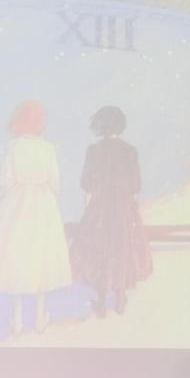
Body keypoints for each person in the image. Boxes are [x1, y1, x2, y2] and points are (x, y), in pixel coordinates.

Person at [0, 100, 74, 334]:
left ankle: (17, 320)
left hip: (18, 202)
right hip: (43, 203)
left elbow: (6, 180)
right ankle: (39, 318)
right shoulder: (48, 148)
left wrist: (17, 192)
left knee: (16, 256)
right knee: (41, 257)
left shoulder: (14, 147)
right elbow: (55, 181)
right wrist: (45, 190)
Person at [70, 105, 152, 318]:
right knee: (122, 249)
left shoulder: (94, 150)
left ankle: (101, 300)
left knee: (100, 251)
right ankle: (120, 298)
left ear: (100, 125)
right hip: (124, 208)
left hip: (101, 207)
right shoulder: (130, 151)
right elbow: (136, 185)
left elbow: (86, 183)